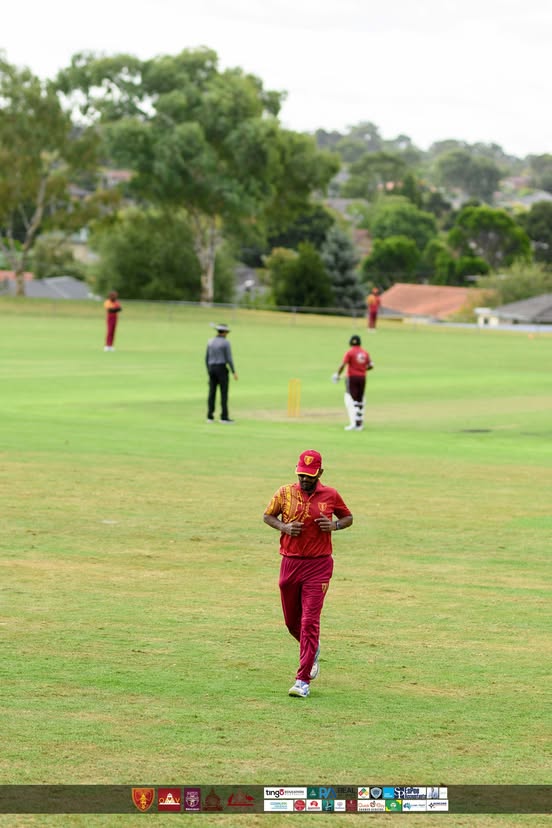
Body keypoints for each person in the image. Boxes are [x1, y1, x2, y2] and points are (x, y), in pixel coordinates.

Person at [263, 449, 353, 698]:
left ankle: (302, 681)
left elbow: (348, 517)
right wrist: (284, 526)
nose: (305, 480)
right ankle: (311, 649)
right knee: (292, 622)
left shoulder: (331, 495)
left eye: (310, 476)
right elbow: (267, 516)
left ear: (320, 473)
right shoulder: (284, 493)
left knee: (309, 621)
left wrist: (334, 525)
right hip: (290, 563)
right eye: (302, 475)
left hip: (319, 565)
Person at [332, 334, 374, 431]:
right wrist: (362, 369)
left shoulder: (350, 352)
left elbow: (343, 365)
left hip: (352, 377)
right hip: (362, 377)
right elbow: (371, 365)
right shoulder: (365, 353)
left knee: (352, 399)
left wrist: (337, 374)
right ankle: (359, 423)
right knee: (360, 400)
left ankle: (354, 423)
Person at [205, 323, 238, 423]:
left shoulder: (210, 342)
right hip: (221, 368)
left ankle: (210, 416)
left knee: (212, 393)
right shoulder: (225, 343)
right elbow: (229, 358)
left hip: (211, 368)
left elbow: (206, 358)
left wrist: (208, 371)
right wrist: (233, 371)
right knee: (224, 393)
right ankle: (224, 417)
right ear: (224, 332)